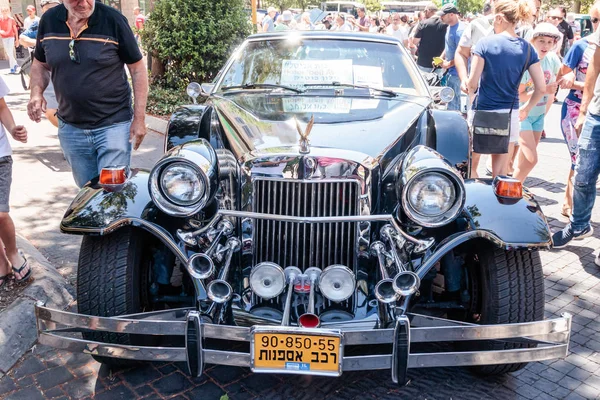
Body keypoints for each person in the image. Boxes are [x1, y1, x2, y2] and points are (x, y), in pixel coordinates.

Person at [27, 0, 148, 188]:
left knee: (112, 191)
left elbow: (138, 68)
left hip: (113, 125)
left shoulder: (113, 20)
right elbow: (40, 64)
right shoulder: (49, 21)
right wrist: (36, 92)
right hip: (71, 127)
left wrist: (139, 118)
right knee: (87, 194)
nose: (83, 3)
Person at [466, 0, 545, 177]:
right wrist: (527, 108)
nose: (493, 23)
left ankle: (474, 202)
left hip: (483, 110)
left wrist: (471, 96)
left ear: (500, 18)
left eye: (493, 20)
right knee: (500, 172)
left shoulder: (484, 44)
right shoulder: (527, 48)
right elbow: (541, 87)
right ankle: (495, 203)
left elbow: (472, 83)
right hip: (509, 114)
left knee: (471, 165)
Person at [551, 18, 600, 248]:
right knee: (582, 172)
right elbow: (592, 71)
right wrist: (583, 110)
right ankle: (579, 224)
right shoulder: (588, 43)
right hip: (593, 113)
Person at [512, 23, 562, 182]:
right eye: (541, 41)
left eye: (550, 42)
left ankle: (515, 187)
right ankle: (510, 189)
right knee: (531, 159)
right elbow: (518, 96)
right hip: (523, 114)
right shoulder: (528, 61)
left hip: (539, 115)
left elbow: (559, 80)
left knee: (523, 160)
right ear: (533, 40)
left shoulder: (553, 59)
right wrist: (543, 90)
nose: (546, 45)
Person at [0, 77, 31, 286]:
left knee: (0, 213)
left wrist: (12, 129)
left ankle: (12, 252)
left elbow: (1, 107)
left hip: (0, 156)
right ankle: (2, 262)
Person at [19, 0, 61, 129]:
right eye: (47, 10)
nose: (51, 13)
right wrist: (40, 43)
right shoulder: (39, 24)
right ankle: (68, 132)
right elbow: (22, 39)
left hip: (70, 72)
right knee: (50, 110)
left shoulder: (70, 22)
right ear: (42, 11)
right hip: (46, 71)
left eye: (54, 9)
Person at [439, 4, 465, 111]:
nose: (441, 18)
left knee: (454, 106)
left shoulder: (460, 31)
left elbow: (463, 54)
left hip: (457, 74)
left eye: (443, 15)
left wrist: (447, 64)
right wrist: (441, 57)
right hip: (451, 72)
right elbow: (449, 45)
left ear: (451, 15)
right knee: (451, 103)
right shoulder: (450, 27)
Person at [411, 4, 447, 72]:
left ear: (428, 11)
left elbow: (415, 42)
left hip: (423, 62)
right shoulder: (445, 24)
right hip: (439, 63)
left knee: (422, 82)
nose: (424, 14)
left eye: (425, 11)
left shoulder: (423, 23)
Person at [0, 8, 19, 74]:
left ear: (8, 11)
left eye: (5, 11)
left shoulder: (11, 19)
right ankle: (15, 64)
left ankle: (12, 68)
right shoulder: (0, 19)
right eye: (3, 11)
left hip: (11, 37)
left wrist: (17, 39)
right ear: (1, 12)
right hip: (4, 37)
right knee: (8, 53)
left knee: (10, 52)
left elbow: (15, 30)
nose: (4, 12)